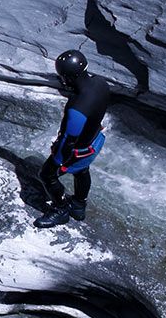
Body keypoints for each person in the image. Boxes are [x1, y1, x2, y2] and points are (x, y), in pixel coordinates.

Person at [34, 50, 109, 228]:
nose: (62, 80)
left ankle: (60, 210)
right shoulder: (100, 83)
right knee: (82, 171)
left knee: (46, 175)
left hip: (77, 152)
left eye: (63, 77)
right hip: (94, 141)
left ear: (69, 77)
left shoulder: (77, 108)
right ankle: (78, 205)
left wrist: (57, 161)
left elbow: (68, 141)